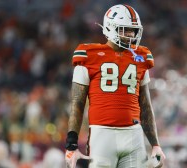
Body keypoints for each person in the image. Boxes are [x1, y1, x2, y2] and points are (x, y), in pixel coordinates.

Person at [65, 4, 165, 168]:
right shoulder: (88, 55)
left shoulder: (141, 56)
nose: (130, 35)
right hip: (102, 134)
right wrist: (71, 144)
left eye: (132, 30)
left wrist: (155, 144)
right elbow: (77, 102)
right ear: (111, 27)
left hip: (134, 134)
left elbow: (146, 105)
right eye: (124, 30)